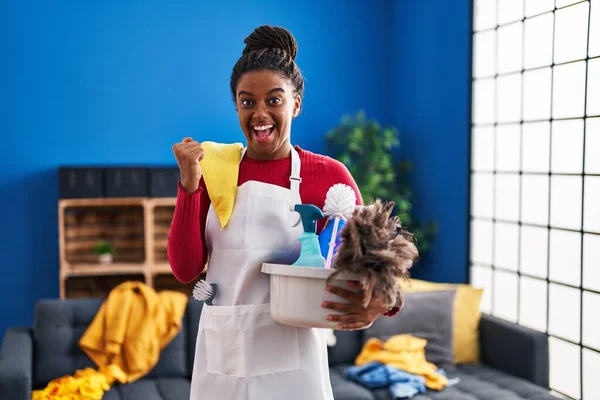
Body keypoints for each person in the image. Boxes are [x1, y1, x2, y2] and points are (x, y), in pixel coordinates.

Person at [167, 25, 401, 400]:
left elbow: (379, 260)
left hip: (294, 367)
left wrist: (380, 304)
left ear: (296, 103)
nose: (260, 113)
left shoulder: (327, 175)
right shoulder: (216, 170)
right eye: (247, 102)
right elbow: (184, 268)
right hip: (222, 360)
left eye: (273, 100)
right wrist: (190, 185)